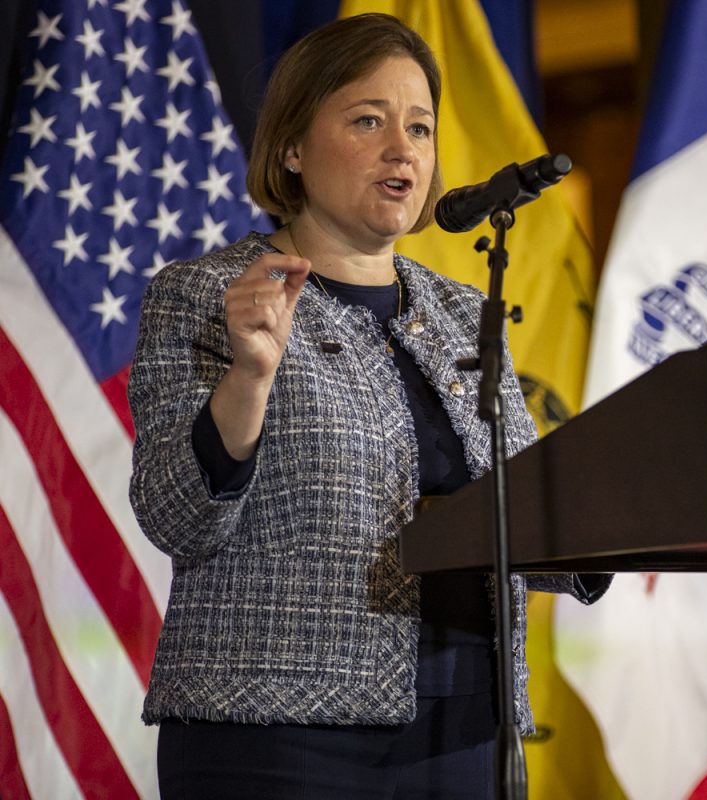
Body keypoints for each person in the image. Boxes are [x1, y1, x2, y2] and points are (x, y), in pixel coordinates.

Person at [128, 14, 609, 798]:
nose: (403, 148)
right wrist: (248, 375)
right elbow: (176, 515)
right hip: (276, 735)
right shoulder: (207, 294)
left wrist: (632, 501)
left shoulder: (461, 311)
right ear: (291, 146)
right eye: (367, 120)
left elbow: (517, 510)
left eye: (419, 127)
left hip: (467, 730)